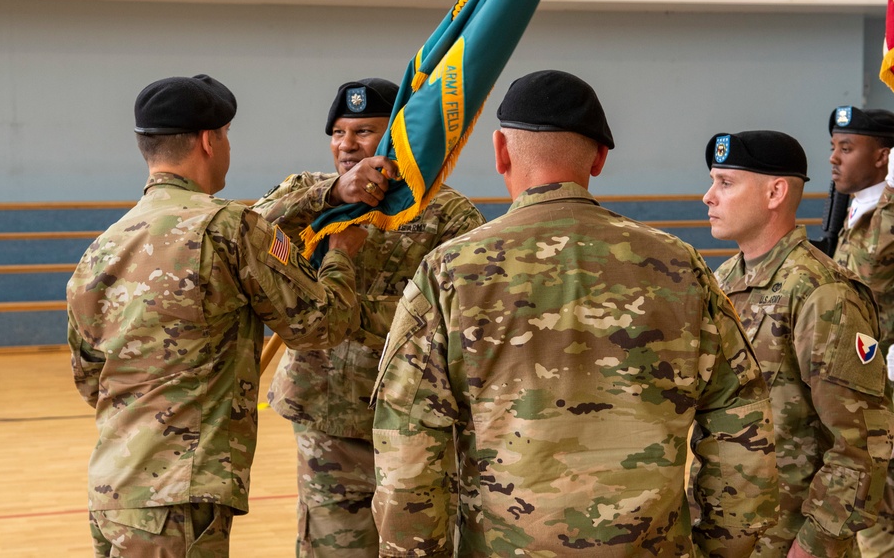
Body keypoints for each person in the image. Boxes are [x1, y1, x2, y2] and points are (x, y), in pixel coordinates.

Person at [371, 69, 779, 557]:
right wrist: (721, 549)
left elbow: (407, 444)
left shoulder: (450, 273)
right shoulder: (680, 267)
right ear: (600, 157)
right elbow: (742, 426)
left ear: (500, 151)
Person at [66, 74, 367, 557]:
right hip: (181, 493)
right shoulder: (228, 227)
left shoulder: (103, 247)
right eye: (226, 136)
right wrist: (340, 255)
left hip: (113, 491)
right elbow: (322, 325)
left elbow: (90, 380)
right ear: (209, 141)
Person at [252, 77, 486, 556]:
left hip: (411, 425)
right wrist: (331, 195)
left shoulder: (448, 216)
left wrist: (338, 312)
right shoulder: (308, 194)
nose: (346, 145)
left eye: (363, 132)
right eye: (338, 133)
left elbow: (456, 318)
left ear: (397, 139)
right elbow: (246, 239)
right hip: (325, 421)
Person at [703, 129, 894, 557]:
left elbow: (861, 444)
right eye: (713, 181)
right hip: (725, 536)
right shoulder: (724, 280)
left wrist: (815, 545)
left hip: (789, 542)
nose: (708, 197)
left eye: (726, 183)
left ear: (775, 193)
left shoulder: (824, 294)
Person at [827, 106, 894, 557]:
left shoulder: (887, 212)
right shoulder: (854, 209)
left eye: (847, 148)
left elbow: (876, 279)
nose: (834, 158)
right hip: (861, 382)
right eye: (833, 147)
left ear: (884, 155)